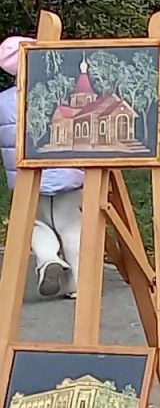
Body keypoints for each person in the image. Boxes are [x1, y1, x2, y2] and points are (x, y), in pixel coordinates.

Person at [0, 35, 83, 299]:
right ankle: (78, 284)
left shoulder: (4, 102)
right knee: (72, 227)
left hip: (27, 179)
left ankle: (48, 259)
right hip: (68, 174)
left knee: (35, 225)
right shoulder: (61, 93)